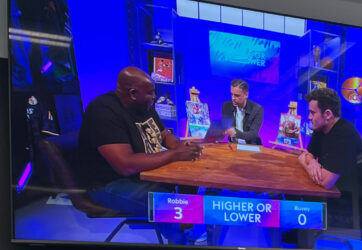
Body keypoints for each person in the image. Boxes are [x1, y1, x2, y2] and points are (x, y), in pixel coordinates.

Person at [77, 66, 202, 217]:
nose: (155, 96)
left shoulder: (144, 104)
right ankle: (184, 233)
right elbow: (125, 165)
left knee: (190, 177)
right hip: (109, 184)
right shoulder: (103, 112)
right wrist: (175, 154)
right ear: (133, 94)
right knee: (171, 204)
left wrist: (181, 146)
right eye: (150, 93)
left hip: (140, 174)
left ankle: (186, 223)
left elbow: (164, 135)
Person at [298, 87, 362, 231]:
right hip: (339, 194)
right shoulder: (321, 128)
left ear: (327, 114)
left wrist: (304, 162)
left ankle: (304, 243)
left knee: (298, 196)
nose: (309, 117)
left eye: (312, 113)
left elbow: (325, 181)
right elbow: (308, 153)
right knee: (295, 194)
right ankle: (299, 236)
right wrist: (312, 162)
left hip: (355, 208)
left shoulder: (345, 134)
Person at [221, 79, 263, 145]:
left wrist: (235, 133)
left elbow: (253, 134)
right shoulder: (226, 106)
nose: (233, 98)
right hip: (233, 145)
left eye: (237, 95)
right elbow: (225, 128)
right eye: (232, 94)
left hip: (251, 146)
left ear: (246, 94)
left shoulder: (257, 109)